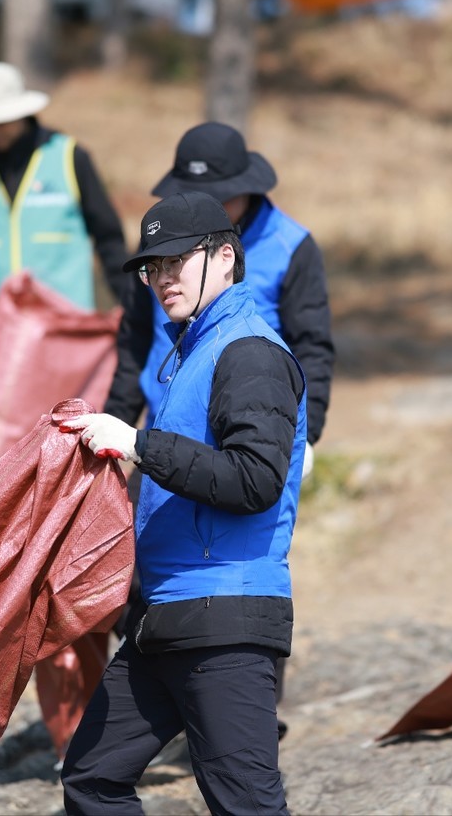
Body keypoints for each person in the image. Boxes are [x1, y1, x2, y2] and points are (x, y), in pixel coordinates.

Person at [58, 191, 305, 815]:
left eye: (176, 261)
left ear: (225, 257)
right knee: (91, 778)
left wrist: (141, 445)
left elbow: (255, 481)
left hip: (225, 619)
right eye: (152, 267)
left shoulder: (250, 353)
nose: (163, 277)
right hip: (163, 616)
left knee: (247, 808)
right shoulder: (190, 351)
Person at [106, 120, 333, 472]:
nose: (163, 273)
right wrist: (117, 420)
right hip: (160, 437)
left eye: (219, 195)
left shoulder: (291, 247)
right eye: (156, 268)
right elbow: (135, 338)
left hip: (242, 440)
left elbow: (312, 347)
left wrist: (308, 436)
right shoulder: (159, 247)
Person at [0, 61, 133, 373]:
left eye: (1, 120)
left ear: (22, 112)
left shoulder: (69, 158)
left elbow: (109, 239)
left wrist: (132, 305)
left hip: (67, 325)